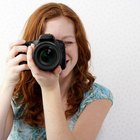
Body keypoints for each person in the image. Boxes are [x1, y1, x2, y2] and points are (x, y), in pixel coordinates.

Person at [0, 2, 113, 140]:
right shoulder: (18, 92)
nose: (59, 52)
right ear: (30, 48)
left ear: (80, 47)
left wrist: (50, 88)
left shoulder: (97, 97)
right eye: (48, 45)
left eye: (67, 43)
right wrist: (8, 83)